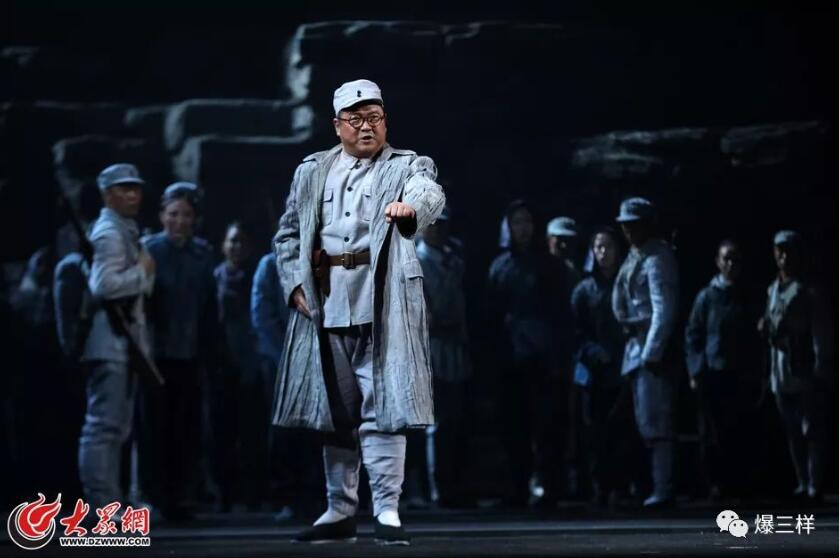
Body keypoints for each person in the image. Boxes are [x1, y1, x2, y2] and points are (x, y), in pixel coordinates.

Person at [272, 79, 445, 545]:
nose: (366, 127)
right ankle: (339, 509)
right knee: (335, 411)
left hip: (381, 302)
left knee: (384, 407)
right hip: (327, 304)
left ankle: (386, 509)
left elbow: (428, 192)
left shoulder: (406, 164)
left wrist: (411, 209)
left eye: (374, 118)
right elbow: (288, 235)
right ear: (337, 125)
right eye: (356, 119)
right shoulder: (313, 170)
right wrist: (294, 284)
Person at [78, 163, 155, 513]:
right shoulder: (110, 232)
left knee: (115, 429)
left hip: (120, 343)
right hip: (108, 342)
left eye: (136, 188)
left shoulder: (123, 230)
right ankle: (101, 505)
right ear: (107, 195)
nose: (133, 194)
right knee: (104, 428)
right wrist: (141, 271)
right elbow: (104, 286)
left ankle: (109, 502)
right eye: (124, 189)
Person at [141, 181, 216, 520]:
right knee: (156, 427)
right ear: (162, 216)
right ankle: (155, 495)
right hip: (155, 354)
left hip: (190, 353)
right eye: (173, 214)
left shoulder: (203, 254)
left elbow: (208, 307)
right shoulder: (149, 250)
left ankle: (183, 496)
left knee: (187, 427)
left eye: (185, 215)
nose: (179, 221)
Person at [486, 200, 556, 506]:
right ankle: (517, 486)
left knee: (545, 425)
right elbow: (491, 315)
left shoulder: (549, 265)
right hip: (509, 357)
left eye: (527, 221)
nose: (523, 228)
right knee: (513, 424)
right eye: (517, 222)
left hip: (542, 356)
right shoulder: (500, 266)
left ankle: (547, 486)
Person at [611, 197, 679, 508]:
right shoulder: (635, 255)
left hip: (650, 349)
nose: (628, 230)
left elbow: (663, 309)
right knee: (643, 420)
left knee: (656, 421)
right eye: (625, 225)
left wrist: (652, 352)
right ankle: (649, 485)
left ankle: (663, 487)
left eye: (634, 224)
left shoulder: (657, 257)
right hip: (635, 347)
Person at [759, 230, 834, 503]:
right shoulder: (772, 289)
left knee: (811, 428)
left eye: (788, 250)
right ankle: (803, 481)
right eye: (779, 250)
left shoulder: (808, 290)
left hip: (803, 365)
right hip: (780, 367)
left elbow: (821, 332)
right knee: (791, 430)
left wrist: (821, 366)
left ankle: (814, 483)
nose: (784, 256)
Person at [684, 240, 757, 500]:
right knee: (711, 432)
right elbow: (693, 335)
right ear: (717, 262)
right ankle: (715, 482)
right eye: (726, 258)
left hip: (739, 373)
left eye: (735, 259)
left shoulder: (746, 296)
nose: (730, 264)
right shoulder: (706, 297)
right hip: (712, 373)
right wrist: (695, 371)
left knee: (737, 429)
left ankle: (737, 483)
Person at [571, 227, 634, 508]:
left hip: (623, 368)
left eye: (608, 246)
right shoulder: (584, 290)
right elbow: (575, 332)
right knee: (594, 431)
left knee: (621, 429)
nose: (603, 252)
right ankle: (600, 486)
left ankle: (622, 485)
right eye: (598, 247)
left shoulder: (627, 284)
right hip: (593, 371)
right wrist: (592, 352)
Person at [415, 207, 472, 508]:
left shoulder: (454, 261)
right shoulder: (415, 261)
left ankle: (454, 483)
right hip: (429, 350)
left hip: (455, 349)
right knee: (435, 423)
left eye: (441, 224)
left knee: (456, 421)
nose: (437, 229)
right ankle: (436, 488)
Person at [211, 222, 264, 511]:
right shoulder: (215, 277)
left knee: (251, 430)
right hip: (221, 360)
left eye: (241, 241)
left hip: (250, 360)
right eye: (232, 241)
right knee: (222, 430)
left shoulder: (256, 276)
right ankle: (224, 492)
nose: (236, 247)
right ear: (223, 245)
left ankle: (252, 491)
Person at [545, 216, 582, 499]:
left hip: (572, 355)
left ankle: (572, 481)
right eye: (559, 239)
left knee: (573, 420)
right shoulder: (542, 271)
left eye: (568, 240)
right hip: (547, 357)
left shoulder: (577, 273)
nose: (563, 245)